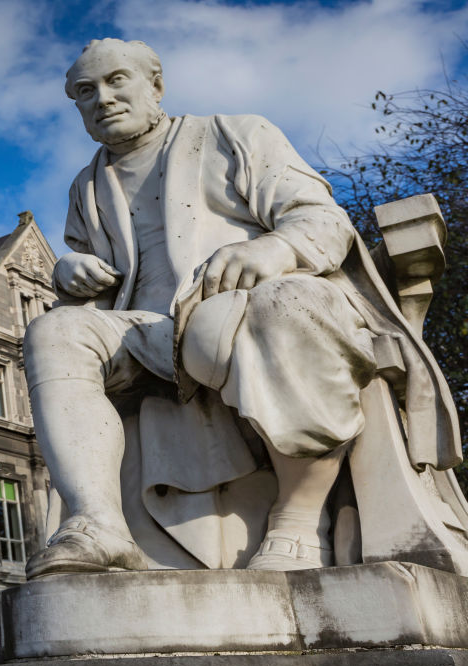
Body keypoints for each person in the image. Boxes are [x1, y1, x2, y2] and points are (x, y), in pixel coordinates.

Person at [23, 38, 460, 576]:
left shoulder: (235, 134)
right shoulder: (87, 186)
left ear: (155, 86)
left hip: (247, 302)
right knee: (53, 333)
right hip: (149, 331)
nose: (103, 99)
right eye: (85, 92)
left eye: (117, 81)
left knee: (278, 305)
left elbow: (322, 219)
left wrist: (274, 248)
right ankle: (97, 523)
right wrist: (72, 275)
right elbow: (99, 281)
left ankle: (299, 522)